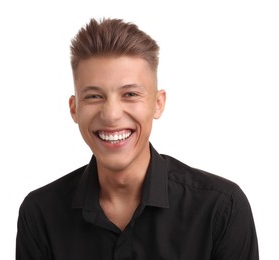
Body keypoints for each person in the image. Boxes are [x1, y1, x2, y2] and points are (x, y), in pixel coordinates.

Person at [16, 18, 259, 259]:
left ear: (158, 103)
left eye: (130, 94)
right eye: (93, 96)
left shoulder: (221, 208)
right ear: (74, 109)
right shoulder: (40, 214)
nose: (111, 115)